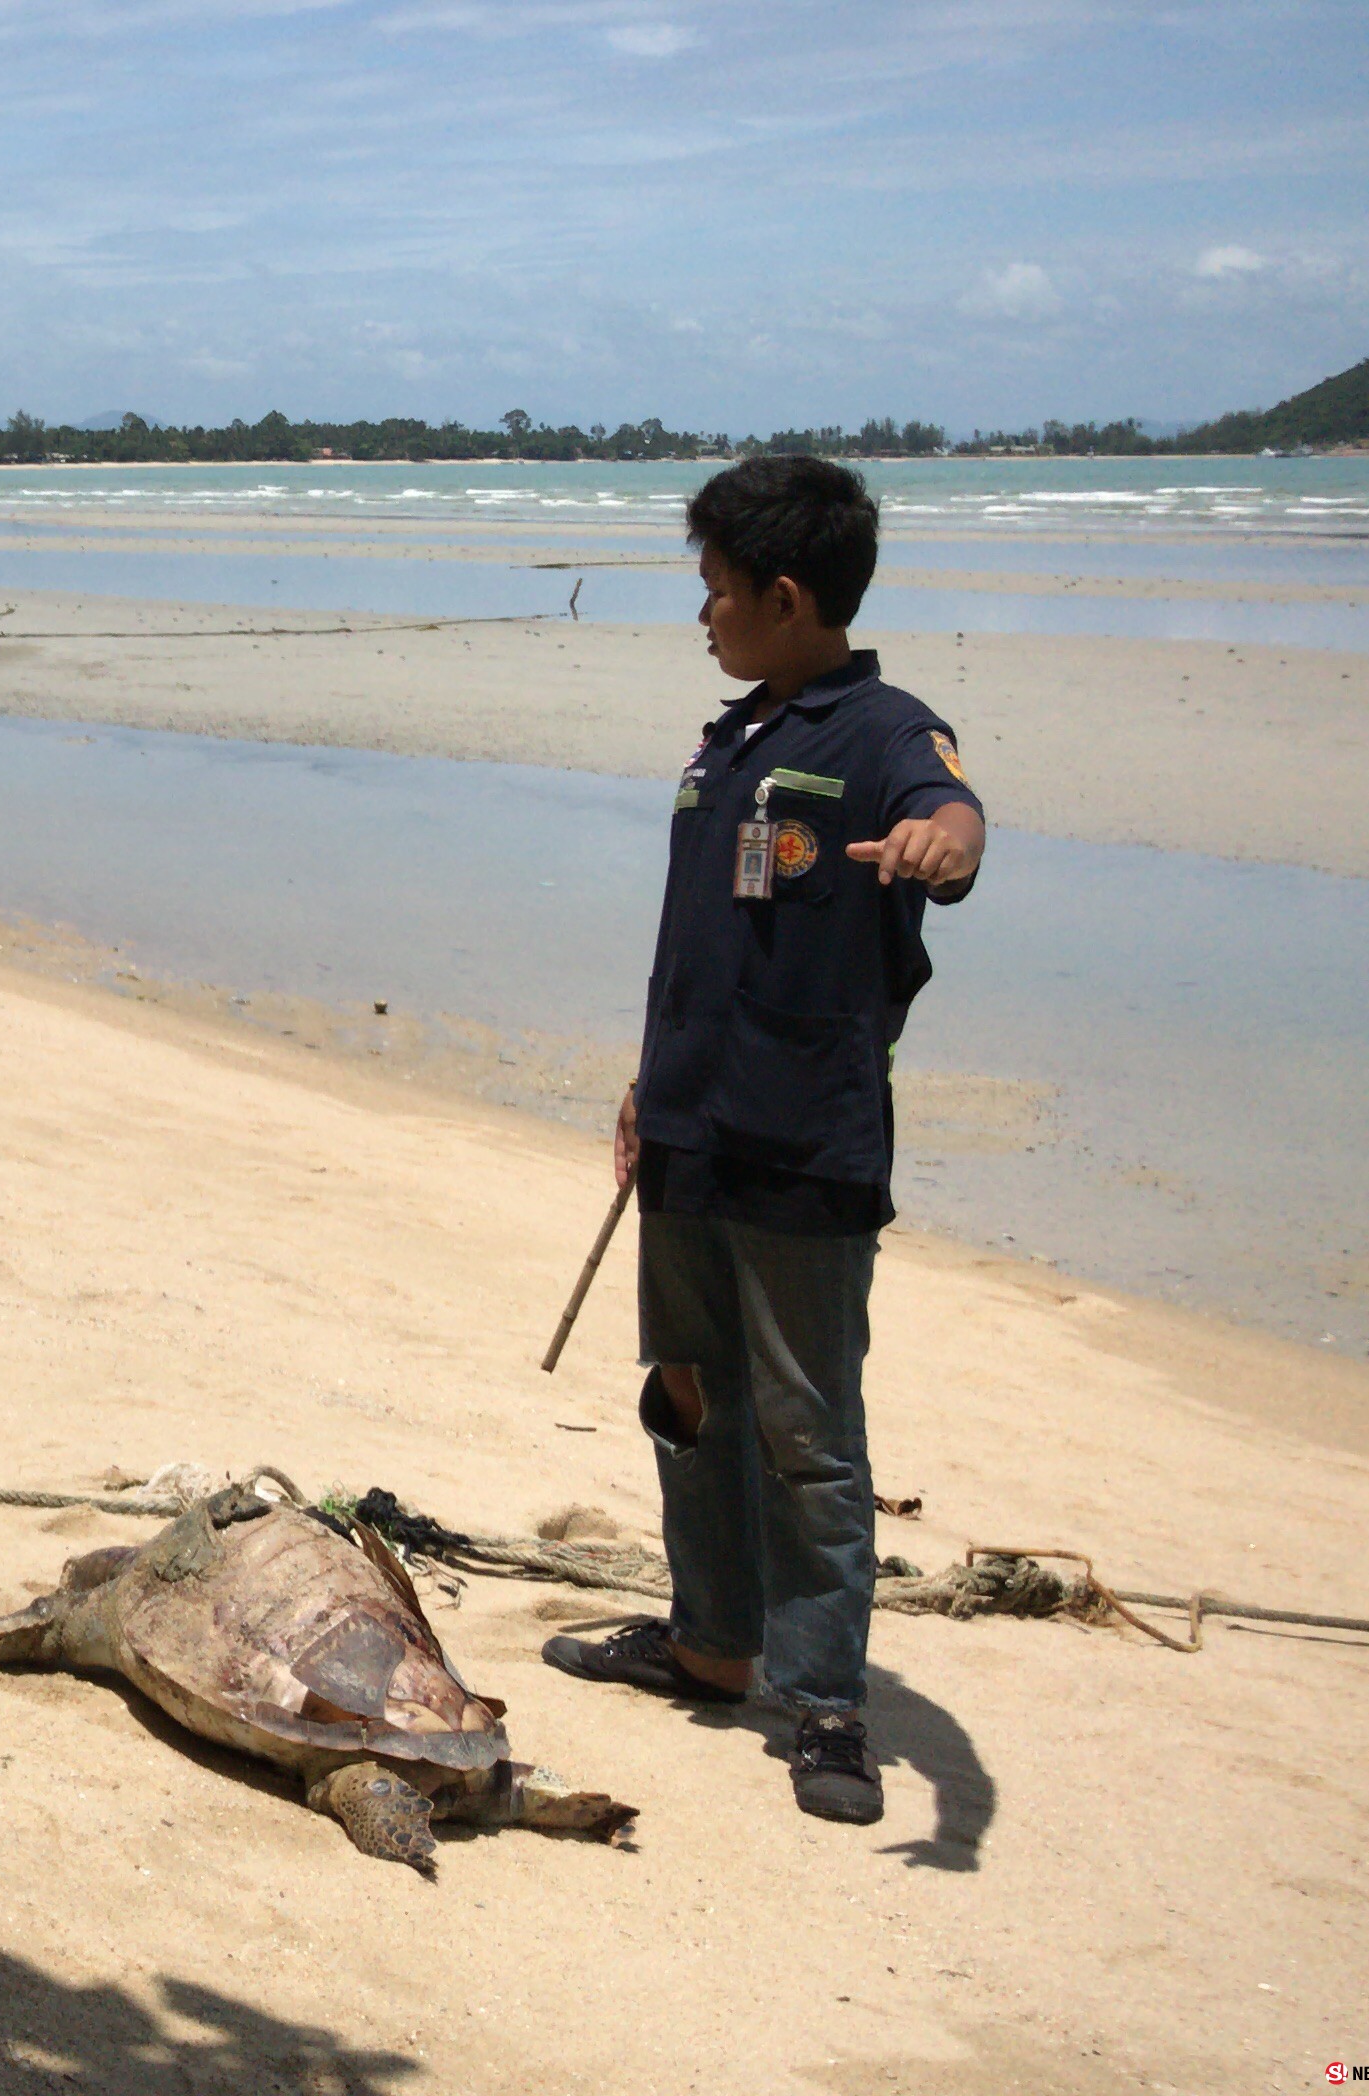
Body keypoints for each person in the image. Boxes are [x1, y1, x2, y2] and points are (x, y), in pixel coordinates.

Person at [541, 455, 987, 1826]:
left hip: (804, 1150)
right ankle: (710, 1639)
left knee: (808, 1435)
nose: (706, 615)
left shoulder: (883, 733)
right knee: (685, 1394)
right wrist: (644, 1086)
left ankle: (823, 1699)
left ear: (789, 596)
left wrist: (940, 849)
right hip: (684, 1132)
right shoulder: (727, 739)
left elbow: (952, 816)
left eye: (720, 591)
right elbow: (700, 943)